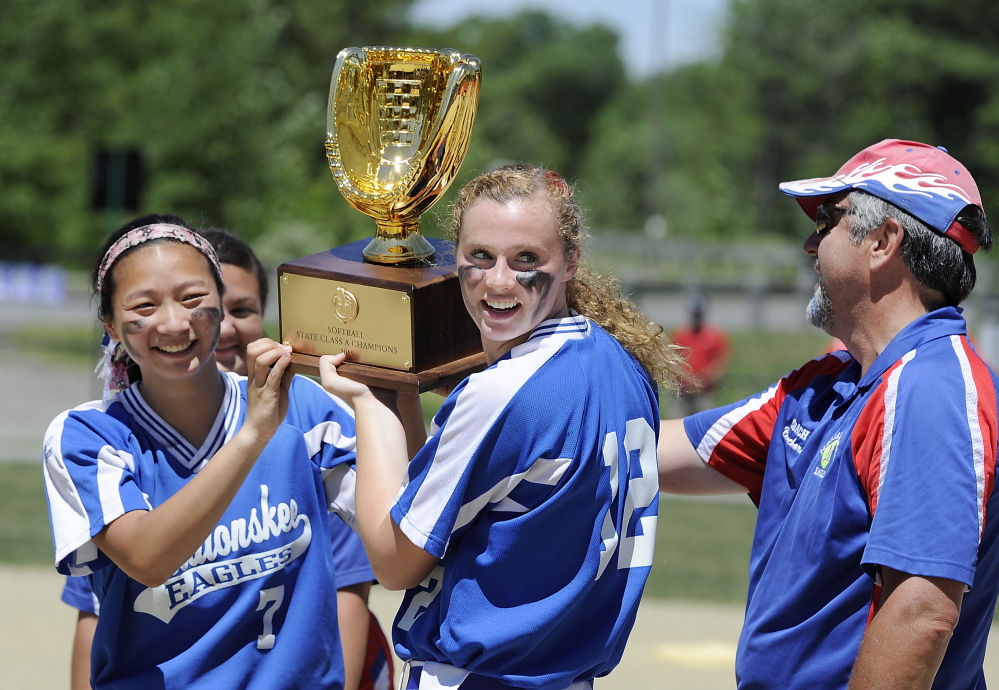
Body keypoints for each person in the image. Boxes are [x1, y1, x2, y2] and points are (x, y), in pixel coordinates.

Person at [319, 164, 685, 690]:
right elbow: (442, 503)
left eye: (526, 260)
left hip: (478, 676)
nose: (498, 281)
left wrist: (369, 401)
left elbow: (396, 562)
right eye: (479, 257)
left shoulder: (503, 391)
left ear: (571, 261)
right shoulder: (620, 361)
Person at [657, 139, 999, 688]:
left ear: (884, 241)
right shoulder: (832, 382)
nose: (809, 244)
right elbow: (648, 451)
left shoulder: (930, 387)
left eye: (827, 219)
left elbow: (923, 614)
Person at [58, 224, 394, 689]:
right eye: (144, 305)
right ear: (112, 326)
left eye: (193, 297)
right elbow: (147, 558)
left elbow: (404, 535)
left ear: (221, 300)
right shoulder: (90, 436)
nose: (175, 323)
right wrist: (254, 432)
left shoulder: (308, 409)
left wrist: (399, 387)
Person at [669, 292, 730, 416]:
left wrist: (702, 381)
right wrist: (683, 380)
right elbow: (671, 360)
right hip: (683, 392)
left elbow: (720, 364)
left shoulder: (714, 336)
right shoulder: (680, 334)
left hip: (704, 393)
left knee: (704, 427)